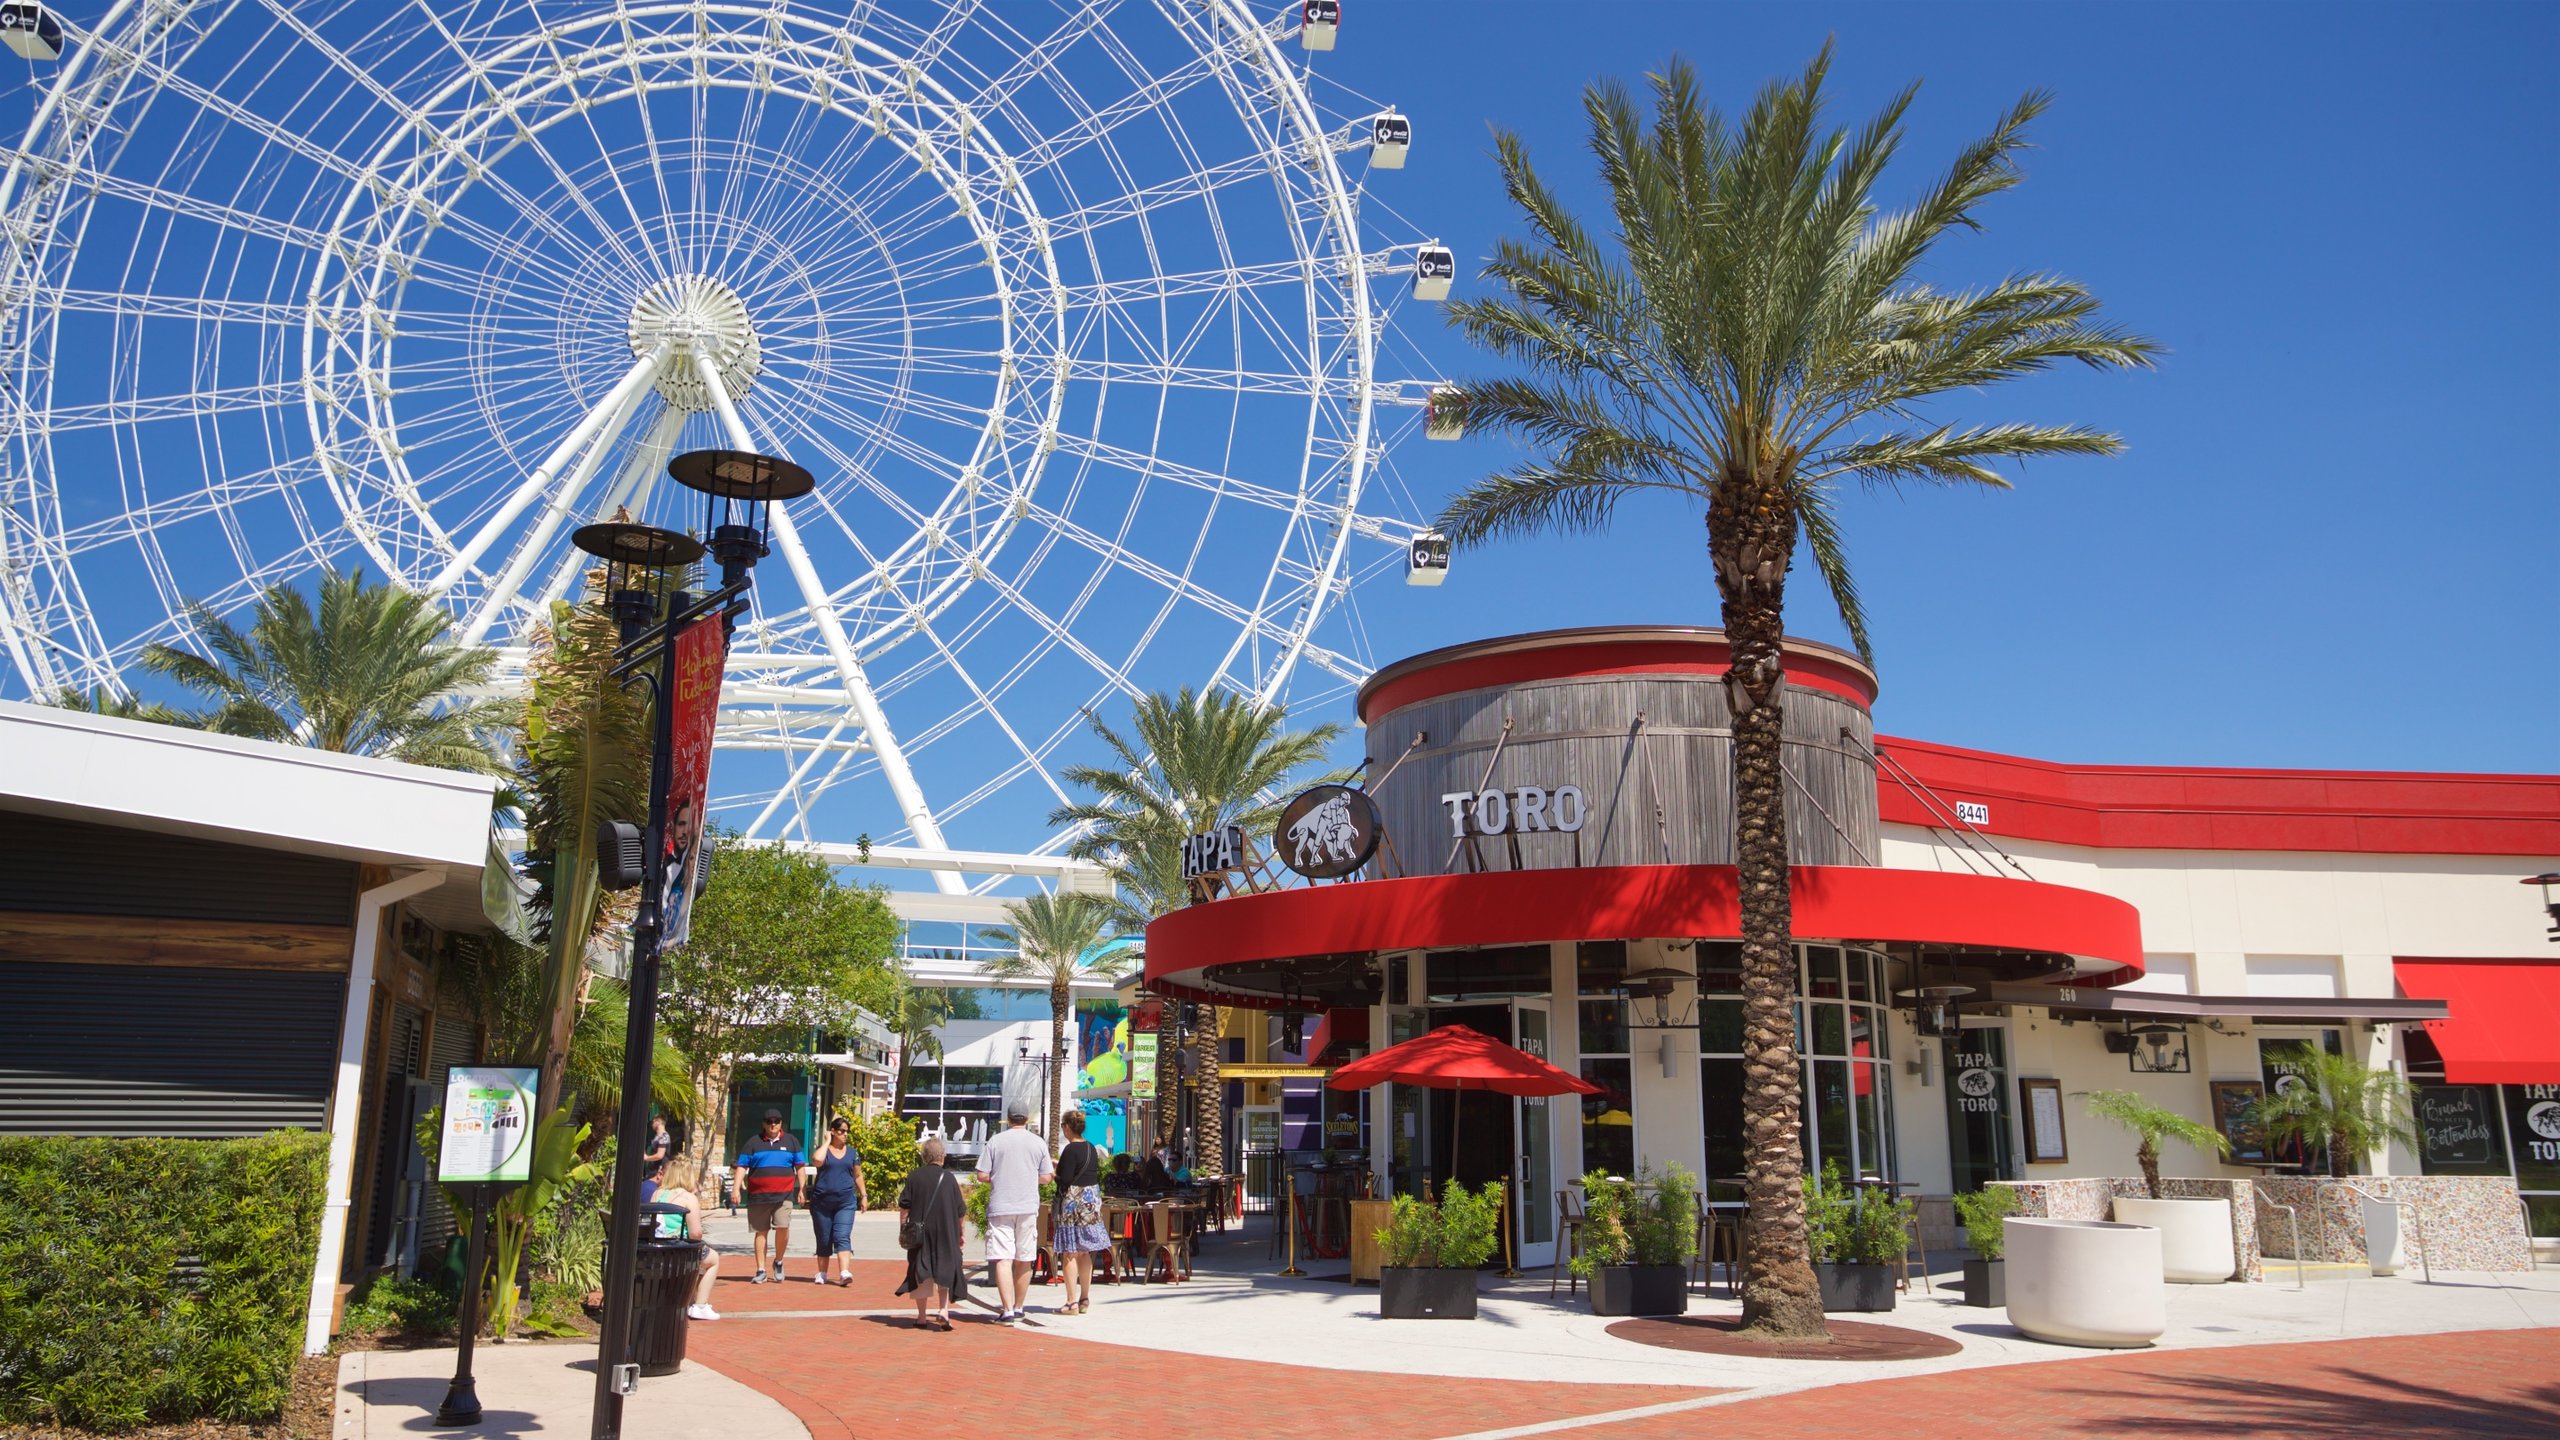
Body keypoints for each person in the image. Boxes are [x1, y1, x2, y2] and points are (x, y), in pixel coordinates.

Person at [978, 1103, 1053, 1325]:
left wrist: (1000, 1177)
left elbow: (982, 1174)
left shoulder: (996, 1141)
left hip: (1001, 1205)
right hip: (1028, 1206)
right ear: (1027, 1119)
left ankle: (1007, 1309)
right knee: (1024, 1258)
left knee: (1003, 1257)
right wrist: (1028, 1177)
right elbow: (1047, 1177)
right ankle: (1019, 1306)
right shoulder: (1038, 1143)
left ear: (1008, 1119)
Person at [895, 1134, 967, 1331]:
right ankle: (944, 1309)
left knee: (920, 1269)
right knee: (945, 1267)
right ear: (941, 1156)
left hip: (920, 1232)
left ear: (924, 1156)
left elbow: (904, 1206)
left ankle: (921, 1316)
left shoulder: (914, 1177)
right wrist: (960, 1233)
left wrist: (903, 1228)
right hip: (946, 1231)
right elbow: (960, 1211)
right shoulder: (950, 1179)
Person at [733, 1109, 809, 1283]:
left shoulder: (791, 1141)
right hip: (758, 1196)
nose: (773, 1124)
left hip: (784, 1195)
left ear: (781, 1123)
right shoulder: (753, 1142)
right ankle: (761, 1270)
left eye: (776, 1121)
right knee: (761, 1232)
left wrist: (802, 1189)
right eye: (769, 1121)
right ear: (764, 1124)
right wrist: (736, 1189)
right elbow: (742, 1167)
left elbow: (800, 1167)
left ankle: (779, 1261)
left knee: (783, 1227)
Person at [1049, 1110, 1110, 1315]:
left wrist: (1053, 1174)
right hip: (1091, 1204)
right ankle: (1084, 1298)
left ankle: (1071, 1302)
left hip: (1072, 1206)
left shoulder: (1070, 1150)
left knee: (1070, 1253)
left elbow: (1065, 1179)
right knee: (1085, 1252)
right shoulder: (1091, 1148)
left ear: (1067, 1127)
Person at [645, 1182, 725, 1322]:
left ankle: (688, 1301)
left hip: (656, 1247)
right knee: (713, 1259)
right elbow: (696, 1234)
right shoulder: (688, 1198)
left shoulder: (657, 1193)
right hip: (679, 1249)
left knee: (698, 1258)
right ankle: (700, 1306)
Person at [807, 1114, 867, 1285]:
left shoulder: (852, 1153)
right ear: (832, 1131)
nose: (844, 1134)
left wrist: (863, 1195)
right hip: (822, 1202)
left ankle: (844, 1272)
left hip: (845, 1201)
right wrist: (827, 1141)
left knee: (842, 1235)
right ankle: (822, 1273)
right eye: (841, 1131)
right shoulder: (823, 1150)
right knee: (824, 1238)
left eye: (846, 1131)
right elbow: (817, 1161)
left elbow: (857, 1175)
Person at [639, 1115, 674, 1204]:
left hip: (658, 1170)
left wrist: (646, 1158)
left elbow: (660, 1155)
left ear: (658, 1122)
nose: (652, 1124)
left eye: (653, 1122)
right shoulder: (658, 1136)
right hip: (653, 1170)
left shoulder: (664, 1136)